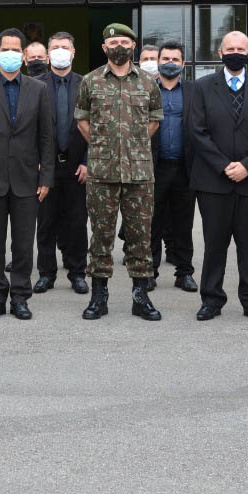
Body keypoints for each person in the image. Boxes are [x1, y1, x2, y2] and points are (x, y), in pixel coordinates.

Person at [186, 31, 248, 322]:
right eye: (230, 48)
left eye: (241, 48)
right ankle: (211, 300)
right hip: (214, 181)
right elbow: (196, 131)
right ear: (220, 52)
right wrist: (224, 165)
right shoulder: (201, 87)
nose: (235, 52)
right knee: (215, 244)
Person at [73, 23, 163, 321]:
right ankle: (99, 296)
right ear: (104, 48)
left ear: (133, 46)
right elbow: (82, 120)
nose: (119, 47)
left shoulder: (149, 82)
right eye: (113, 43)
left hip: (139, 173)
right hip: (102, 171)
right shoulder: (90, 81)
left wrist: (132, 144)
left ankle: (141, 296)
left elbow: (154, 120)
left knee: (140, 236)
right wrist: (105, 145)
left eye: (125, 42)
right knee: (101, 235)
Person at [0, 28, 53, 320]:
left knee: (22, 244)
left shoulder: (38, 89)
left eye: (17, 50)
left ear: (25, 55)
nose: (11, 55)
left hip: (28, 180)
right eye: (6, 49)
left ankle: (20, 297)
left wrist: (46, 178)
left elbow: (46, 138)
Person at [34, 31, 89, 295]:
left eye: (64, 47)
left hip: (78, 166)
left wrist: (89, 162)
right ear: (47, 54)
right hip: (46, 167)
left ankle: (77, 272)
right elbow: (27, 127)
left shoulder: (87, 84)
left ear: (73, 52)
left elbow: (97, 127)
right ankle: (46, 273)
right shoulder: (34, 85)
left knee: (77, 222)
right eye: (54, 47)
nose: (59, 51)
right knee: (46, 222)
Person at [148, 40, 197, 293]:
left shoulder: (193, 91)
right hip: (154, 168)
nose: (170, 63)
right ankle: (150, 272)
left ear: (183, 64)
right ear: (158, 61)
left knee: (183, 224)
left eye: (175, 59)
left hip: (185, 169)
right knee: (152, 223)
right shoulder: (147, 89)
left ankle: (184, 272)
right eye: (165, 58)